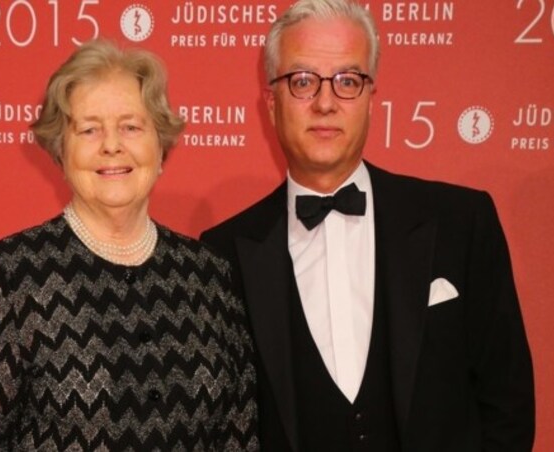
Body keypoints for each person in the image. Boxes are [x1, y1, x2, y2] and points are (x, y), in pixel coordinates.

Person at [200, 0, 534, 450]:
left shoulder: (462, 223)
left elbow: (508, 405)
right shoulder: (221, 255)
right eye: (302, 81)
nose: (325, 102)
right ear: (271, 103)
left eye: (347, 81)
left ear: (371, 99)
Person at [0, 39, 258, 451]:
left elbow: (240, 437)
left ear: (160, 147)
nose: (112, 145)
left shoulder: (209, 275)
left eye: (131, 126)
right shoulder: (15, 274)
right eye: (89, 129)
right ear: (61, 150)